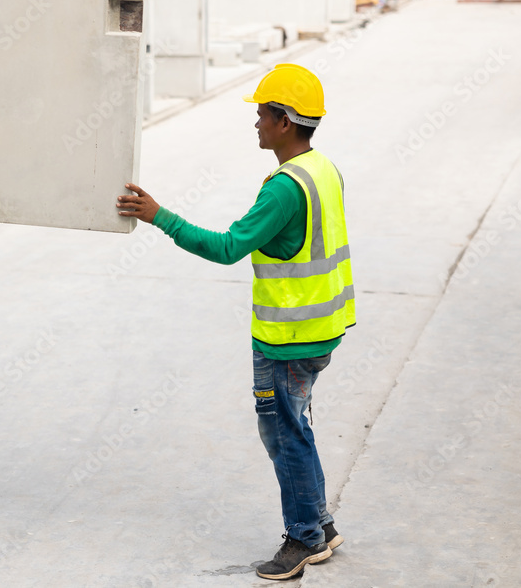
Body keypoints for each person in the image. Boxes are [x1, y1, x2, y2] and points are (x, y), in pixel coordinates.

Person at [117, 64, 354, 581]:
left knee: (285, 436)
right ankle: (321, 525)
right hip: (321, 329)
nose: (256, 124)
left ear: (285, 121)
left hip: (288, 338)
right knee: (298, 428)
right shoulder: (323, 168)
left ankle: (305, 539)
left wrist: (159, 215)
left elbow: (226, 248)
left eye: (262, 114)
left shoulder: (284, 189)